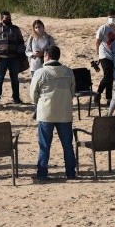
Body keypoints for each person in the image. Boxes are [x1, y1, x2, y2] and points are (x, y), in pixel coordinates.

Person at [29, 45, 77, 181]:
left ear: (47, 56)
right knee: (67, 145)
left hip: (46, 112)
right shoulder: (68, 71)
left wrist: (40, 102)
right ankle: (70, 172)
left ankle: (42, 173)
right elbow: (72, 91)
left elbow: (33, 95)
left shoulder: (40, 72)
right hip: (64, 112)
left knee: (44, 145)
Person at [0, 10, 26, 106]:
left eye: (9, 17)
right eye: (5, 18)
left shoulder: (16, 29)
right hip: (0, 58)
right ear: (1, 19)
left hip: (14, 58)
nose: (8, 19)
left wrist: (20, 55)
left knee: (15, 79)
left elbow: (21, 42)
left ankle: (16, 98)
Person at [95, 10, 115, 104]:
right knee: (108, 74)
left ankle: (109, 98)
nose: (112, 19)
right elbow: (97, 42)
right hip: (104, 54)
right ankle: (98, 92)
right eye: (110, 17)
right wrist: (98, 54)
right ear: (107, 18)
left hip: (113, 55)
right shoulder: (103, 28)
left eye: (114, 17)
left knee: (110, 77)